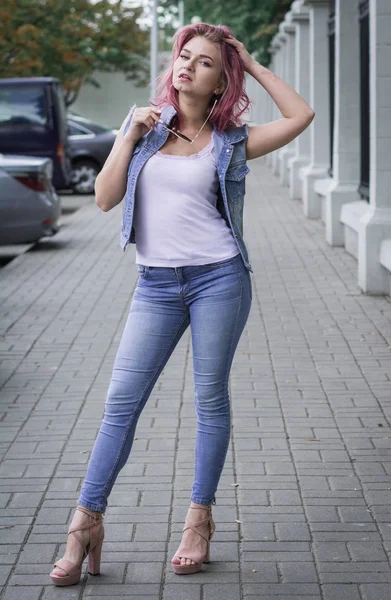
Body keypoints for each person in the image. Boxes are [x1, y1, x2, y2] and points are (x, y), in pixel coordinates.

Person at [50, 22, 314, 586]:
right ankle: (85, 522)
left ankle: (199, 521)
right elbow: (102, 199)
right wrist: (127, 136)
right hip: (154, 286)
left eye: (206, 63)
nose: (188, 67)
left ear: (222, 82)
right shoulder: (143, 129)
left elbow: (300, 116)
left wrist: (251, 61)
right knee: (120, 403)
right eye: (184, 57)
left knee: (209, 399)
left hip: (219, 279)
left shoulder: (232, 141)